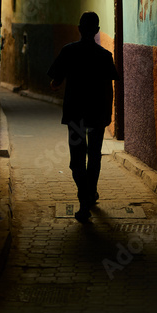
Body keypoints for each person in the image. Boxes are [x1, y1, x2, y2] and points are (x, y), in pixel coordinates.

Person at [47, 11, 120, 222]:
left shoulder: (69, 51)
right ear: (97, 31)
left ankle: (84, 201)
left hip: (76, 114)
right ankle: (91, 193)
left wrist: (57, 83)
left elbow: (55, 83)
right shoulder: (105, 56)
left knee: (77, 159)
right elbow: (112, 81)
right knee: (94, 155)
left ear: (79, 29)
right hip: (98, 114)